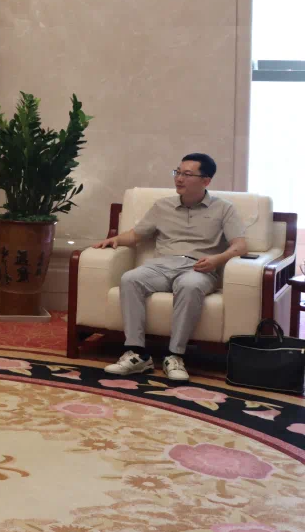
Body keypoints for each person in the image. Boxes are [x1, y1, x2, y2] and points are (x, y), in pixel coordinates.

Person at [92, 153, 247, 382]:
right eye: (177, 172)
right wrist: (113, 240)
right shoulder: (162, 206)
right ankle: (137, 354)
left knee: (189, 286)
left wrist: (217, 260)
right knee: (130, 279)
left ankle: (175, 356)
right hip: (162, 265)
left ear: (206, 180)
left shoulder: (224, 208)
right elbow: (136, 235)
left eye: (187, 174)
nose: (179, 179)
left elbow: (240, 246)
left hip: (198, 268)